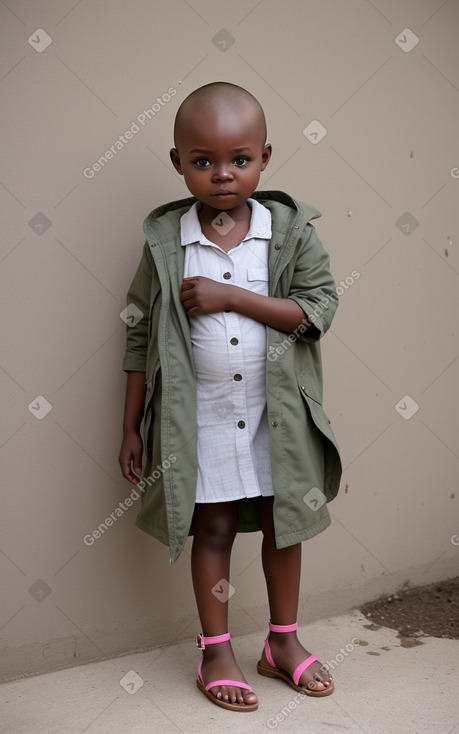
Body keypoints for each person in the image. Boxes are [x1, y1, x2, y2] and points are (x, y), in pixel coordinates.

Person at [119, 81, 342, 712]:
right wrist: (132, 426)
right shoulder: (167, 244)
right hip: (203, 420)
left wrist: (233, 298)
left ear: (265, 157)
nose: (223, 174)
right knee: (212, 528)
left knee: (284, 524)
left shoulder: (289, 231)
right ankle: (216, 648)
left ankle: (282, 644)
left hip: (279, 416)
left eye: (240, 160)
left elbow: (319, 307)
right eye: (203, 161)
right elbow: (137, 333)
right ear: (177, 163)